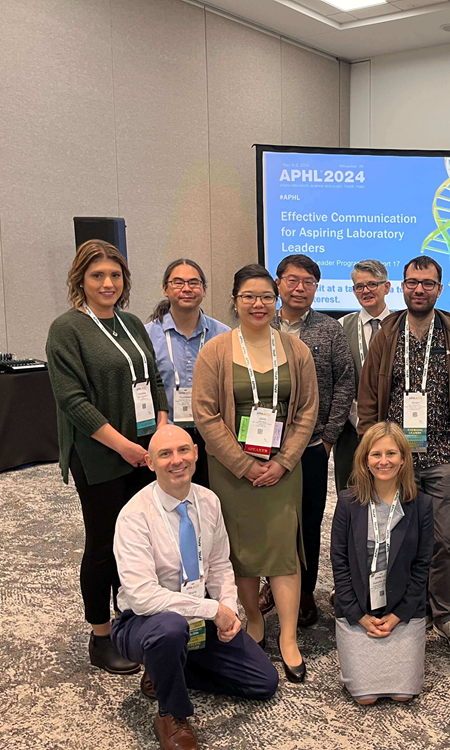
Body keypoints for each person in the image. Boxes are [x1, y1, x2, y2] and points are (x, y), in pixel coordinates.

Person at [112, 425, 279, 750]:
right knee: (170, 630)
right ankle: (171, 714)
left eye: (183, 450)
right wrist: (213, 609)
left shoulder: (208, 501)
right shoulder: (134, 516)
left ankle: (164, 669)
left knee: (264, 682)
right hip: (143, 621)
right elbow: (142, 597)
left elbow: (219, 564)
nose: (177, 460)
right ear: (150, 462)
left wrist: (228, 607)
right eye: (165, 454)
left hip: (198, 615)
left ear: (196, 453)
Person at [46, 239, 168, 675]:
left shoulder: (131, 323)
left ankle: (130, 617)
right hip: (100, 454)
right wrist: (124, 445)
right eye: (97, 275)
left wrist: (161, 430)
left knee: (139, 541)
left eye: (115, 275)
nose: (107, 283)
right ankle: (100, 636)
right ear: (80, 279)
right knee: (103, 544)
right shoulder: (67, 329)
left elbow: (154, 380)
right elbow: (72, 401)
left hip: (144, 449)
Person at [192, 264, 318, 683]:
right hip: (232, 471)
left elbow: (307, 410)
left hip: (284, 469)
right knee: (241, 551)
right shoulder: (215, 351)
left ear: (276, 299)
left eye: (266, 296)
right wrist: (245, 465)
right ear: (235, 300)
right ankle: (255, 620)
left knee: (283, 550)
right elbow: (206, 414)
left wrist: (283, 461)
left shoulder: (296, 351)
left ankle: (289, 637)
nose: (258, 304)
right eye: (249, 296)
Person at [358, 256, 450, 655]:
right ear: (402, 286)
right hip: (394, 460)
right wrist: (371, 449)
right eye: (413, 282)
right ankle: (404, 608)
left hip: (445, 456)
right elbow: (368, 396)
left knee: (445, 541)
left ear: (439, 289)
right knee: (394, 539)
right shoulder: (387, 334)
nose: (419, 289)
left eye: (428, 283)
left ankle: (445, 614)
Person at [267, 254, 355, 627]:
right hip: (265, 445)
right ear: (278, 283)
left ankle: (304, 591)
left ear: (317, 288)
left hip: (313, 445)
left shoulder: (329, 329)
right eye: (292, 280)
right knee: (269, 519)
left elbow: (344, 383)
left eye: (308, 282)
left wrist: (329, 437)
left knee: (308, 521)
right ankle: (271, 585)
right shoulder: (261, 323)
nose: (299, 288)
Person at [330, 422, 433, 705]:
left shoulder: (421, 505)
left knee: (403, 695)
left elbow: (422, 566)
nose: (383, 461)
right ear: (365, 459)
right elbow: (339, 563)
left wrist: (399, 615)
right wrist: (358, 615)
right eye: (376, 454)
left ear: (403, 459)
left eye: (391, 453)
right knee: (365, 697)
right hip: (358, 610)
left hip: (403, 611)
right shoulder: (347, 503)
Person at [145, 258, 230, 489]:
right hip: (166, 433)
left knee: (211, 497)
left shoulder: (223, 336)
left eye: (194, 282)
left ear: (204, 289)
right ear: (165, 289)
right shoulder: (147, 335)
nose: (186, 288)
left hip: (213, 435)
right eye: (178, 282)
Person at [336, 260, 393, 496]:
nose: (366, 291)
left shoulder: (402, 324)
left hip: (394, 424)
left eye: (372, 284)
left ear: (386, 287)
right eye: (359, 286)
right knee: (351, 494)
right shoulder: (341, 326)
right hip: (351, 426)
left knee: (391, 491)